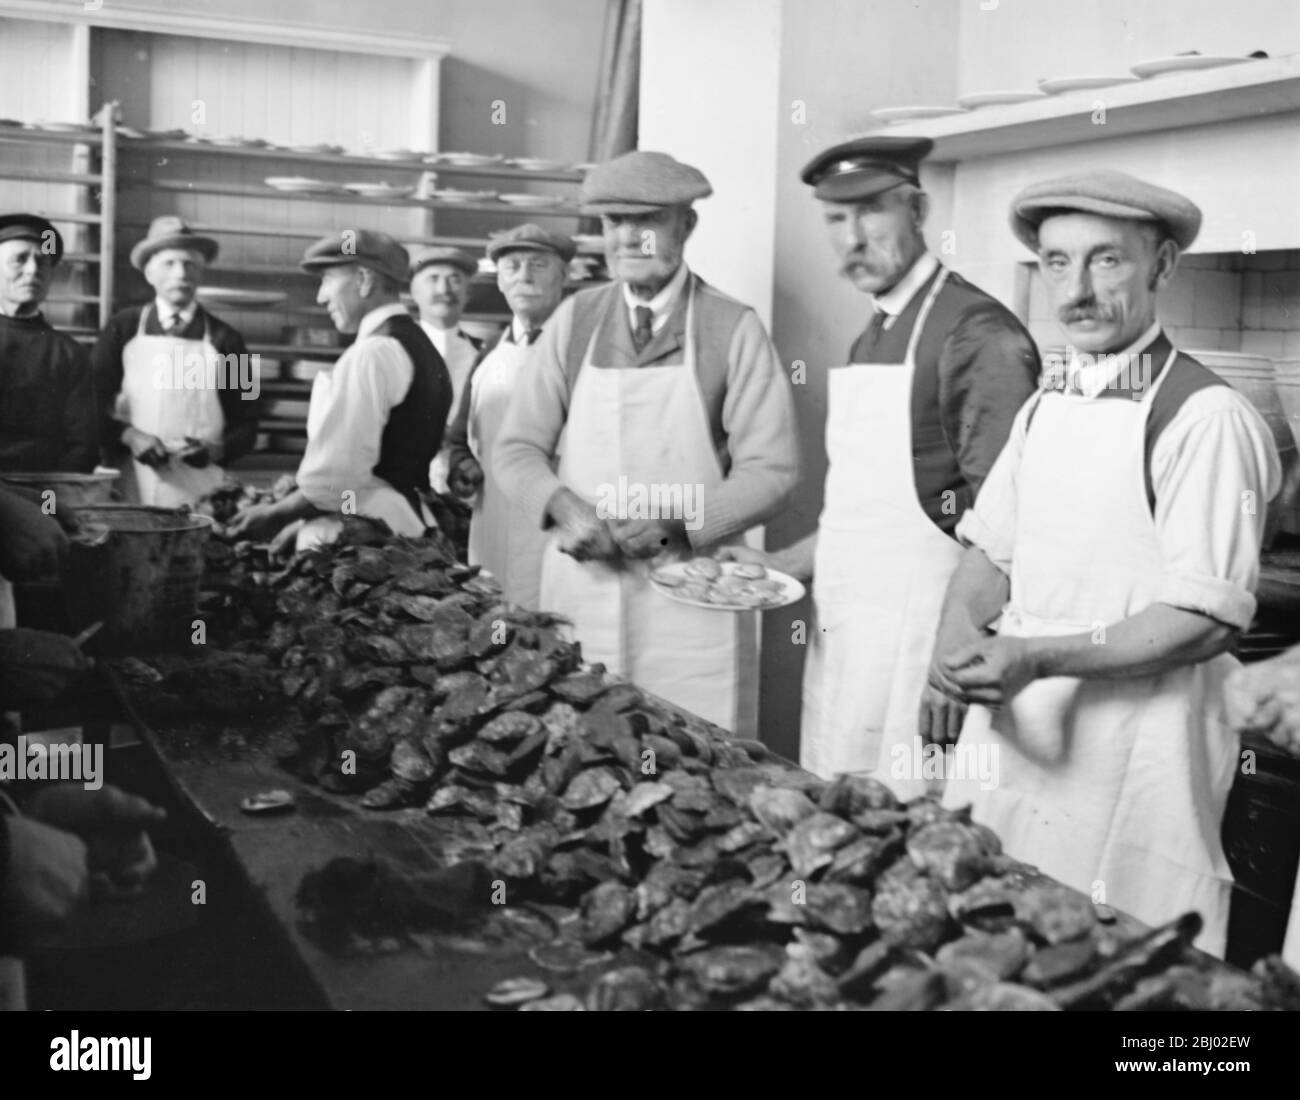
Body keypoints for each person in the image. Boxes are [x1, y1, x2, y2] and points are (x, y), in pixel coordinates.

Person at [930, 171, 1281, 958]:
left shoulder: (1204, 418)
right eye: (1057, 263)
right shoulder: (1046, 405)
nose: (1077, 289)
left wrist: (1038, 655)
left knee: (1128, 977)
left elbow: (1201, 621)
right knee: (993, 951)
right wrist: (952, 640)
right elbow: (992, 549)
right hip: (1020, 742)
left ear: (1160, 267)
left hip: (1140, 755)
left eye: (1106, 262)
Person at [725, 137, 1040, 796]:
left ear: (918, 209)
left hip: (925, 652)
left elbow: (1016, 530)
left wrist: (955, 663)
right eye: (836, 220)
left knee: (910, 842)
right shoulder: (873, 333)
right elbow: (867, 514)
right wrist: (783, 565)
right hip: (852, 640)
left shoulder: (976, 333)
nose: (852, 238)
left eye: (870, 213)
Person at [494, 151, 799, 735]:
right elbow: (515, 449)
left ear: (687, 226)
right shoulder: (574, 321)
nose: (628, 238)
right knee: (585, 760)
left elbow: (774, 470)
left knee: (696, 773)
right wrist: (562, 507)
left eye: (648, 221)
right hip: (584, 587)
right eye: (613, 223)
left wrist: (678, 526)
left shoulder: (731, 326)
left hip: (691, 602)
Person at [225, 230, 453, 552]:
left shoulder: (372, 353)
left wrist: (275, 515)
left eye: (328, 279)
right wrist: (307, 520)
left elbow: (340, 473)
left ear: (363, 279)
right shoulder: (419, 345)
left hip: (371, 533)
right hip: (400, 521)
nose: (320, 296)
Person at [445, 224, 575, 608]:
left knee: (558, 632)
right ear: (500, 281)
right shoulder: (489, 351)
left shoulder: (585, 347)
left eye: (538, 264)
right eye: (512, 266)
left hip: (560, 523)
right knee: (499, 629)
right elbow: (456, 438)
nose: (524, 276)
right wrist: (462, 465)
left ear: (564, 276)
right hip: (495, 522)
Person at [91, 216, 259, 506]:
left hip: (203, 492)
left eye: (190, 264)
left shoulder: (230, 340)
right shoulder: (121, 329)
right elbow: (88, 402)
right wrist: (129, 436)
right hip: (132, 486)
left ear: (201, 273)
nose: (181, 274)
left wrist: (216, 450)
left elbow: (249, 421)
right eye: (169, 264)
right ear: (149, 273)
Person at [0, 214, 98, 474]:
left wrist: (50, 498)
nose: (33, 270)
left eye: (42, 261)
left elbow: (83, 447)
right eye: (20, 259)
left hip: (41, 491)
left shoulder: (67, 353)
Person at [408, 246, 484, 493]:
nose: (444, 290)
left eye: (455, 280)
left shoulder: (484, 355)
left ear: (468, 293)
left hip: (464, 486)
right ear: (414, 292)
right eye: (433, 279)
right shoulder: (393, 349)